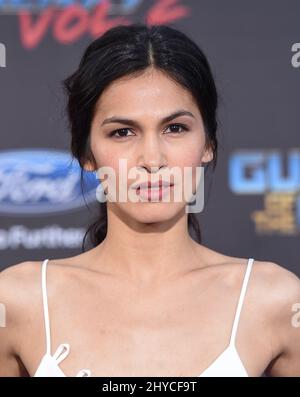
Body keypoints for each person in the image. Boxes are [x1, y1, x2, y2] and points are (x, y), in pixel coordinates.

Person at [0, 23, 299, 377]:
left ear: (207, 144)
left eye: (175, 128)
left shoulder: (275, 300)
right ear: (87, 153)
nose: (152, 160)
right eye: (122, 132)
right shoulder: (19, 300)